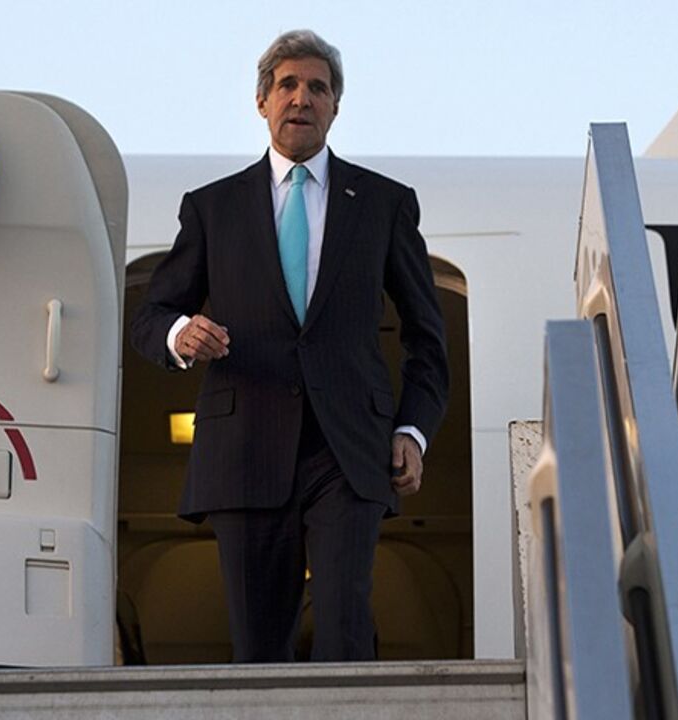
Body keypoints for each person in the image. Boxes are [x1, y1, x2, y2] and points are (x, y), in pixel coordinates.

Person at [130, 29, 448, 663]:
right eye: (288, 85)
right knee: (258, 643)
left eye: (318, 88)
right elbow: (151, 315)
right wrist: (179, 333)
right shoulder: (212, 208)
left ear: (336, 106)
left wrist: (412, 430)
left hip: (350, 448)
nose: (302, 98)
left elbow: (427, 336)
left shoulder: (384, 204)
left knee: (343, 620)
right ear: (262, 102)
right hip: (244, 447)